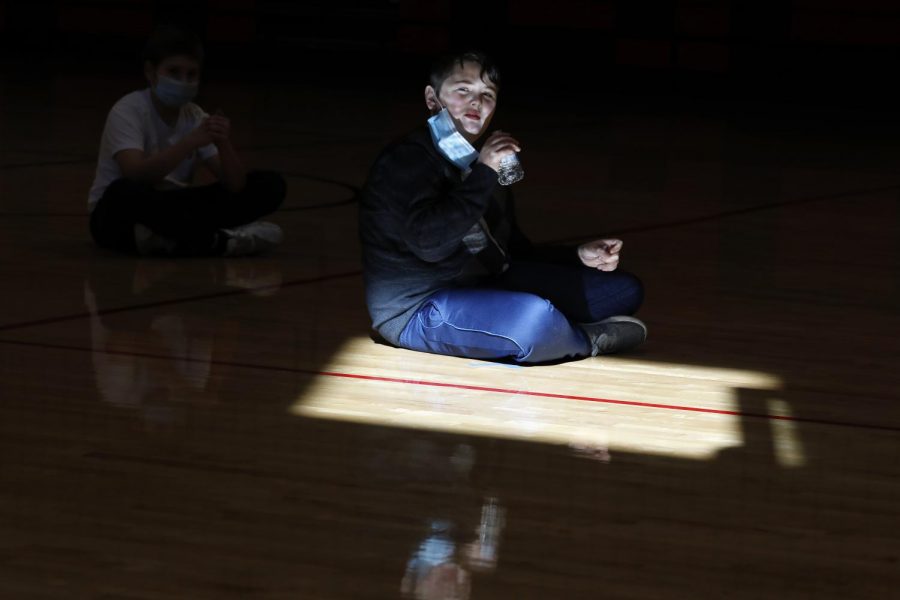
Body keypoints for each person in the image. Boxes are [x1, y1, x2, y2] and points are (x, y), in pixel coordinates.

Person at [359, 51, 646, 364]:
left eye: (487, 95)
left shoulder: (478, 159)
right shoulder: (406, 161)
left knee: (623, 291)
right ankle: (585, 339)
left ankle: (554, 330)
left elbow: (512, 251)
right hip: (418, 307)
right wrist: (483, 174)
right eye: (463, 90)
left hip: (484, 282)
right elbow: (431, 245)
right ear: (432, 98)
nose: (476, 103)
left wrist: (576, 256)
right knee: (534, 318)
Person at [88, 26, 286, 256]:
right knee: (123, 192)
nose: (184, 81)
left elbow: (235, 185)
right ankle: (215, 239)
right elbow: (136, 175)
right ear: (151, 72)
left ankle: (174, 238)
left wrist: (223, 143)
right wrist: (189, 142)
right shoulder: (128, 110)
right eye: (174, 72)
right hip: (121, 216)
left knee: (269, 184)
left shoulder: (195, 116)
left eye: (191, 75)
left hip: (172, 208)